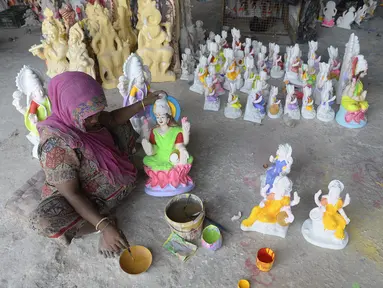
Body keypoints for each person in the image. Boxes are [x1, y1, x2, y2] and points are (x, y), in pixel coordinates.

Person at [30, 72, 160, 258]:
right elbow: (72, 193)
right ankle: (98, 223)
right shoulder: (55, 145)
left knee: (121, 125)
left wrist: (143, 103)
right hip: (77, 195)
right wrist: (105, 227)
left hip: (104, 180)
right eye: (88, 116)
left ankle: (104, 212)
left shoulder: (89, 117)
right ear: (69, 109)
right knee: (44, 220)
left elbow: (113, 119)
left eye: (96, 113)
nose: (94, 120)